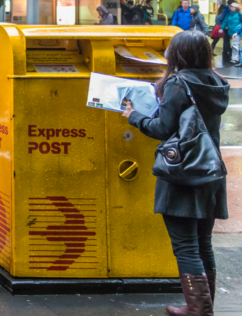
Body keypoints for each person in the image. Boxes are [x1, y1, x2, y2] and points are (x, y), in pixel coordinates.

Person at [122, 30, 228, 316]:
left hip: (183, 172)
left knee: (185, 245)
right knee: (203, 243)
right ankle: (203, 307)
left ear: (178, 54)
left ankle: (198, 310)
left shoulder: (178, 84)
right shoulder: (216, 82)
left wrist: (133, 116)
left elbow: (162, 129)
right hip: (211, 170)